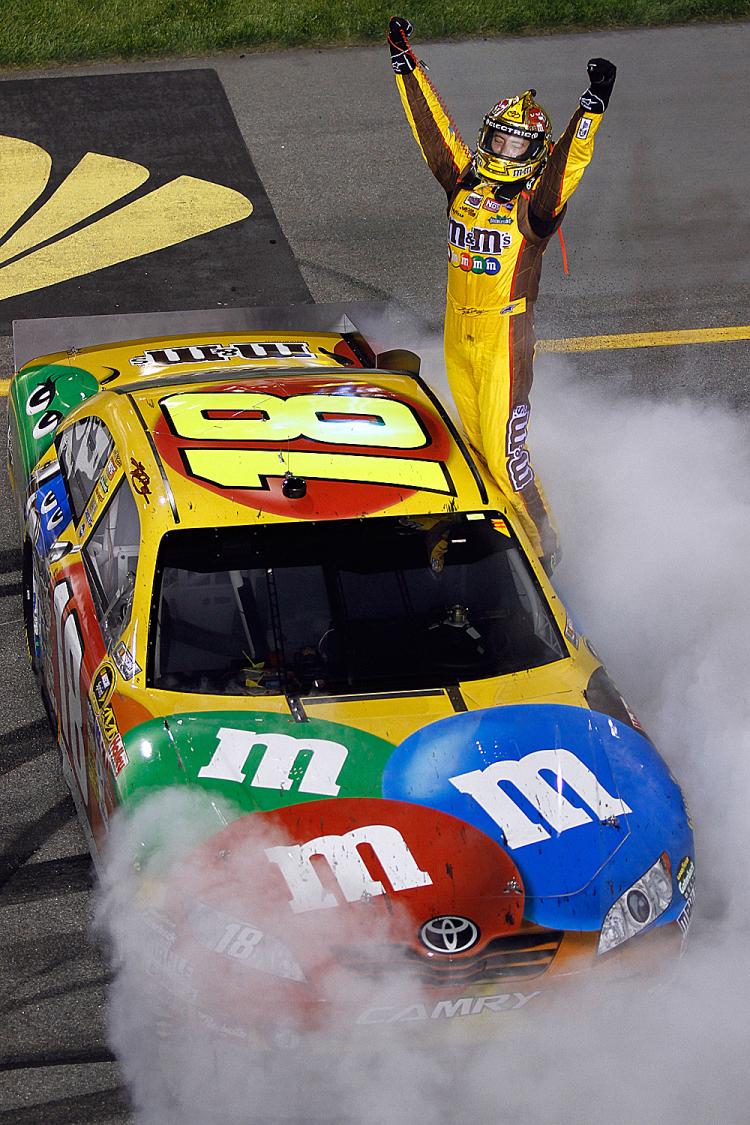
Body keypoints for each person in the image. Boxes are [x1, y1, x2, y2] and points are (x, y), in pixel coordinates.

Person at [387, 16, 616, 572]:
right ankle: (485, 541)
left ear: (533, 150)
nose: (503, 148)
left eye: (516, 142)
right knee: (469, 447)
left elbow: (567, 167)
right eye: (497, 136)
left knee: (507, 458)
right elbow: (433, 134)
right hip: (456, 330)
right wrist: (405, 64)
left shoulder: (536, 206)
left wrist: (590, 107)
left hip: (502, 336)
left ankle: (546, 556)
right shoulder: (464, 182)